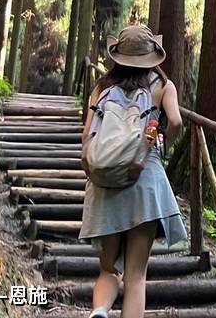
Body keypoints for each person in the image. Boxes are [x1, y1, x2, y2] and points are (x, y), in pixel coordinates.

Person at [79, 24, 186, 318]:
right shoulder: (162, 85)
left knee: (107, 268)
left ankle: (100, 310)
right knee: (136, 276)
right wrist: (163, 141)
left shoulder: (102, 86)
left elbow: (87, 134)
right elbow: (175, 123)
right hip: (144, 178)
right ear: (151, 56)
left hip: (105, 183)